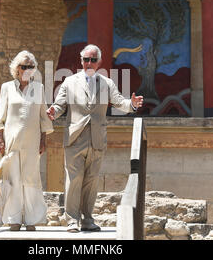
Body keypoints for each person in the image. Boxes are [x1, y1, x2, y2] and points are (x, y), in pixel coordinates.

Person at [46, 44, 144, 232]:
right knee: (74, 179)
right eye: (85, 59)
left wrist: (131, 104)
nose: (89, 63)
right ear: (81, 61)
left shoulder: (107, 83)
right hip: (75, 137)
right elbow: (59, 106)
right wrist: (53, 112)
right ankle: (72, 220)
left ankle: (87, 219)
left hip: (97, 138)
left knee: (91, 180)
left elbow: (119, 102)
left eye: (92, 60)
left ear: (98, 62)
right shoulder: (69, 82)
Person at [0, 50, 53, 231]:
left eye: (30, 66)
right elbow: (1, 116)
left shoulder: (39, 89)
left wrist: (43, 140)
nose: (27, 69)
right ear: (16, 69)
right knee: (12, 180)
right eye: (23, 66)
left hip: (33, 142)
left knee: (31, 179)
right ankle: (14, 219)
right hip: (11, 141)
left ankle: (32, 220)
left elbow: (43, 117)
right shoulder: (7, 88)